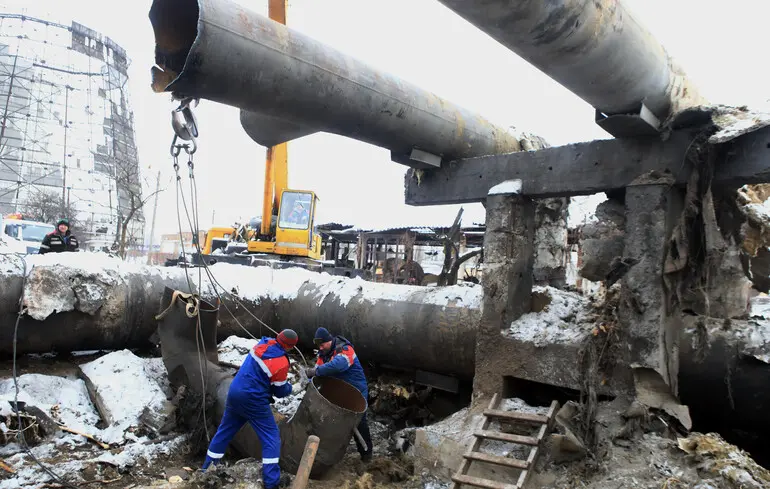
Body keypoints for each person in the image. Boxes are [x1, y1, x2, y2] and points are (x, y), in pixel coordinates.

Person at [203, 329, 299, 488]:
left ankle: (206, 470)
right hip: (253, 400)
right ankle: (272, 482)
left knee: (225, 432)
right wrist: (292, 387)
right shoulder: (280, 362)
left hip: (234, 393)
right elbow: (280, 391)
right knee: (271, 438)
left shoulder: (263, 344)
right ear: (290, 347)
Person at [305, 327, 372, 462]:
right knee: (332, 420)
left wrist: (316, 372)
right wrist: (311, 379)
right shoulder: (323, 354)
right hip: (340, 392)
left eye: (322, 344)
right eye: (319, 346)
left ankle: (366, 455)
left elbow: (337, 366)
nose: (321, 348)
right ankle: (329, 453)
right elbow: (319, 369)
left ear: (329, 340)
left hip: (356, 392)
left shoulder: (345, 350)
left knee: (359, 422)